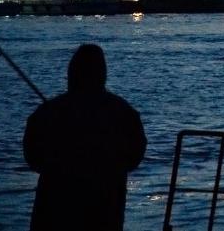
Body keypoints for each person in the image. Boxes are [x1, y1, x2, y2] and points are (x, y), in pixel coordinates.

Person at [22, 44, 147, 231]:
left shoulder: (47, 112)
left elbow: (32, 155)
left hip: (54, 208)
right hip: (106, 207)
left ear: (72, 73)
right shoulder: (124, 112)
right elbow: (135, 154)